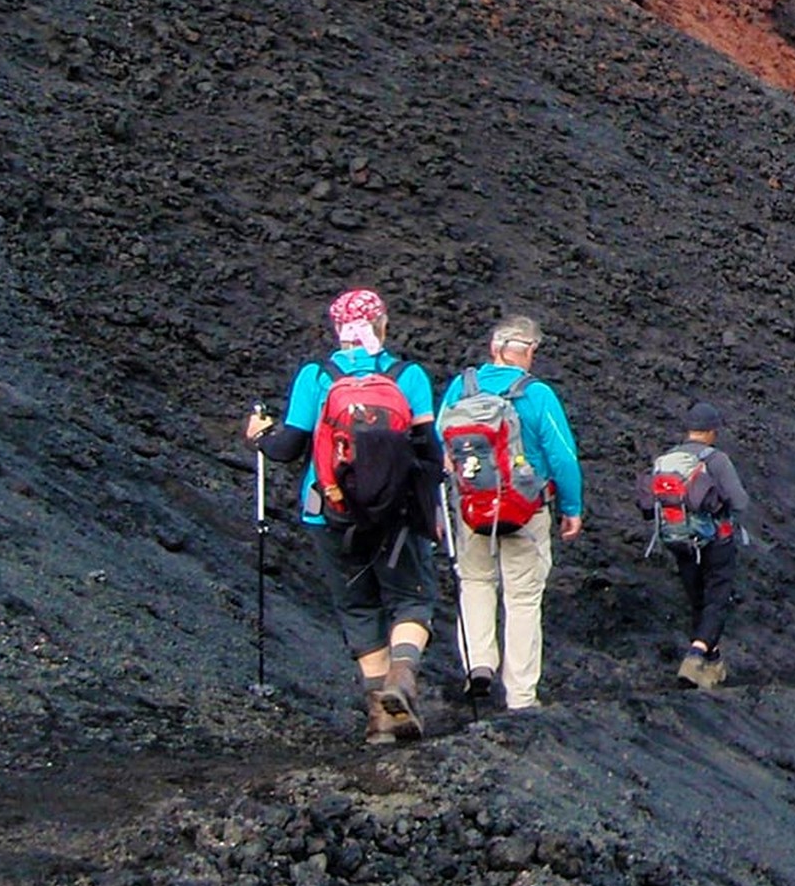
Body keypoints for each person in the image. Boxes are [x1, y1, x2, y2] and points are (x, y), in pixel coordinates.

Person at [246, 288, 443, 743]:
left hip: (329, 512)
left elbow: (288, 448)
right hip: (397, 514)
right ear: (382, 325)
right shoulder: (407, 375)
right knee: (411, 600)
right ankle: (402, 678)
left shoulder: (316, 376)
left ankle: (380, 720)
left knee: (358, 606)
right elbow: (428, 451)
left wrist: (261, 435)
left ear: (337, 330)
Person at [438, 314, 583, 712]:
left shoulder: (460, 388)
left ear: (493, 349)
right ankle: (520, 695)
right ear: (530, 351)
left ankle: (478, 664)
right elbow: (562, 455)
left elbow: (439, 446)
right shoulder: (537, 395)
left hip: (470, 508)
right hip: (526, 509)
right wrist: (572, 507)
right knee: (522, 599)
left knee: (476, 583)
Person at [641, 401, 750, 689]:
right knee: (717, 598)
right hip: (715, 540)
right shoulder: (715, 460)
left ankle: (712, 667)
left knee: (697, 601)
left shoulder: (667, 459)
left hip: (678, 540)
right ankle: (695, 655)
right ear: (712, 431)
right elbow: (740, 502)